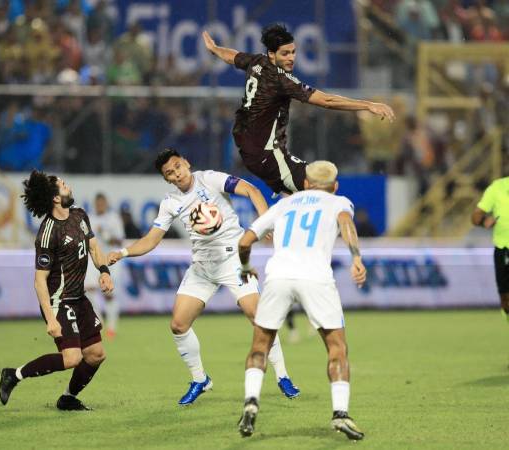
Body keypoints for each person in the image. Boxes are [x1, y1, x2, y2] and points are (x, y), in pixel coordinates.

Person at [108, 148, 299, 405]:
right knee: (178, 325)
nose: (176, 173)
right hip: (202, 267)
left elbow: (251, 190)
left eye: (177, 166)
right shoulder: (170, 203)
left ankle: (283, 376)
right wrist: (122, 252)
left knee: (258, 318)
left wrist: (263, 223)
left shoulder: (210, 179)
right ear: (167, 179)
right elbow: (151, 240)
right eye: (169, 173)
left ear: (186, 163)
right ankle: (200, 380)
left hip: (233, 260)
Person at [236, 161, 367, 440]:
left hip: (278, 277)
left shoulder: (284, 205)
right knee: (337, 348)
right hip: (316, 278)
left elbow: (244, 242)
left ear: (306, 183)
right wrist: (356, 257)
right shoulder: (338, 202)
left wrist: (246, 268)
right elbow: (347, 224)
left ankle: (250, 401)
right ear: (335, 186)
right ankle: (341, 414)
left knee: (260, 344)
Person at [202, 24, 395, 195]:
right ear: (272, 54)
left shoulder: (257, 62)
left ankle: (282, 227)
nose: (291, 58)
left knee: (297, 198)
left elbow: (232, 56)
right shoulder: (283, 80)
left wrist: (215, 49)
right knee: (321, 187)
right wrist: (368, 105)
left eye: (293, 52)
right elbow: (326, 100)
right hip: (268, 155)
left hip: (249, 151)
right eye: (285, 54)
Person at [0, 170, 114, 411]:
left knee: (96, 354)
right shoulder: (48, 232)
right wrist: (50, 319)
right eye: (63, 185)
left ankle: (68, 398)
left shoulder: (80, 215)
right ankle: (13, 374)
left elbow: (93, 246)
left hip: (79, 299)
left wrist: (104, 270)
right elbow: (39, 280)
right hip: (59, 301)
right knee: (73, 358)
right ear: (54, 197)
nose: (68, 186)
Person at [85, 192, 125, 340]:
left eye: (102, 203)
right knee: (88, 290)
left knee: (109, 294)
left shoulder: (113, 219)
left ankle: (112, 327)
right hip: (93, 259)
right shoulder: (89, 218)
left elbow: (120, 241)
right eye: (97, 203)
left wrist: (106, 235)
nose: (100, 206)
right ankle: (99, 322)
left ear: (106, 203)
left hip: (110, 260)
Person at [472, 177, 509, 321]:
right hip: (503, 248)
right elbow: (475, 216)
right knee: (505, 298)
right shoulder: (497, 188)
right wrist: (483, 221)